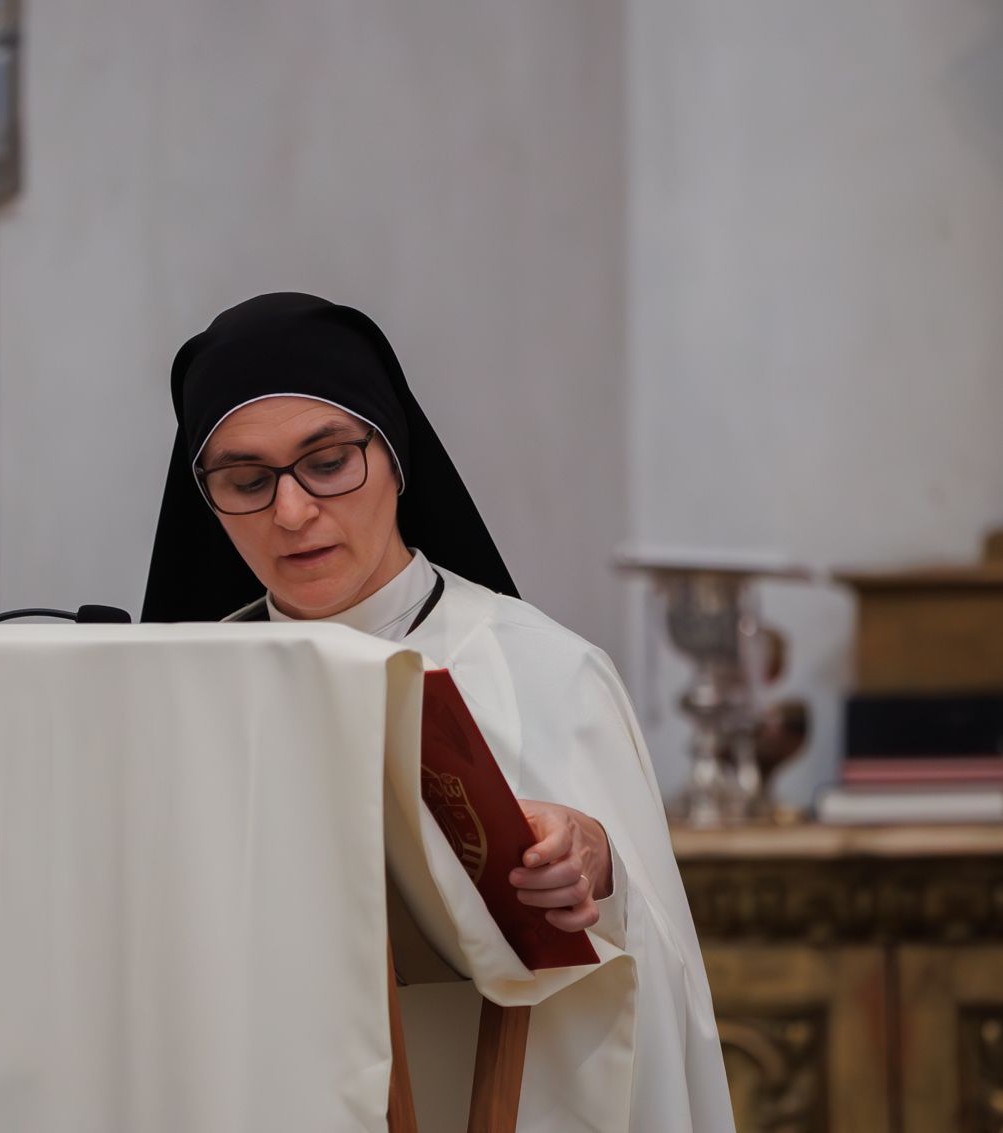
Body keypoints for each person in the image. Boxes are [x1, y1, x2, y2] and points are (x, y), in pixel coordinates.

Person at [142, 293, 733, 1132]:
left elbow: (663, 981)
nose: (292, 512)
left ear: (394, 455)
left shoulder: (547, 671)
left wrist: (598, 866)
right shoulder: (179, 695)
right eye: (246, 480)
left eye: (328, 462)